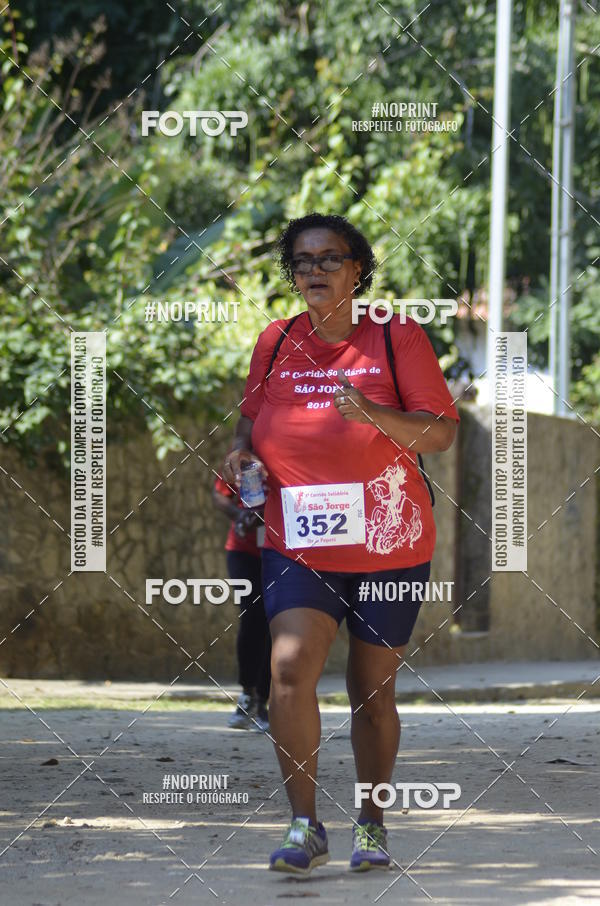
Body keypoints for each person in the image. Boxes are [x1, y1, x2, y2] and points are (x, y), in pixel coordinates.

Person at [222, 212, 459, 875]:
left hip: (390, 544)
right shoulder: (274, 342)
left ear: (359, 269)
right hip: (297, 541)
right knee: (289, 667)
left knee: (371, 692)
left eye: (330, 259)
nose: (315, 272)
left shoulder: (396, 337)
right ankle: (304, 826)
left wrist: (374, 414)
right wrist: (242, 458)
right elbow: (249, 425)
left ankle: (373, 825)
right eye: (302, 262)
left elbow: (439, 432)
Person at [212, 472, 271, 732]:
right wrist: (240, 516)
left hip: (284, 551)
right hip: (244, 551)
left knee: (277, 622)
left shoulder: (296, 446)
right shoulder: (244, 455)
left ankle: (265, 703)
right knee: (252, 617)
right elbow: (219, 494)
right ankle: (247, 694)